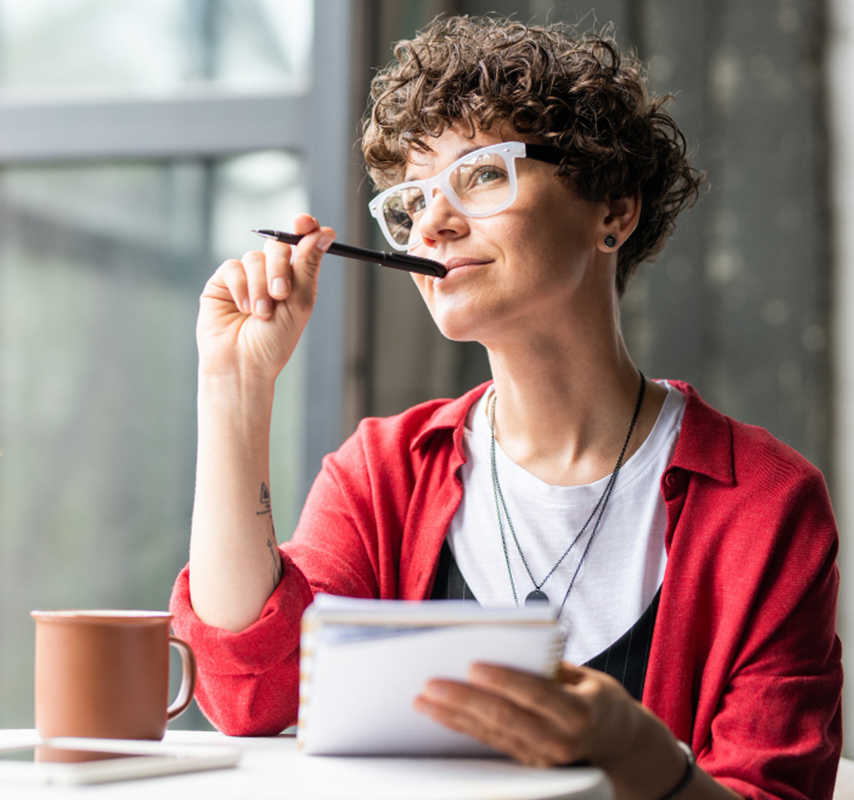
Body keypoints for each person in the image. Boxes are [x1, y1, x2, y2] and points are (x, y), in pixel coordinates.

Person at [170, 15, 841, 800]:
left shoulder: (765, 504)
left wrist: (636, 752)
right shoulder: (383, 473)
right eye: (411, 200)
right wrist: (235, 390)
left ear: (613, 211)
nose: (433, 222)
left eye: (482, 175)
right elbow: (251, 695)